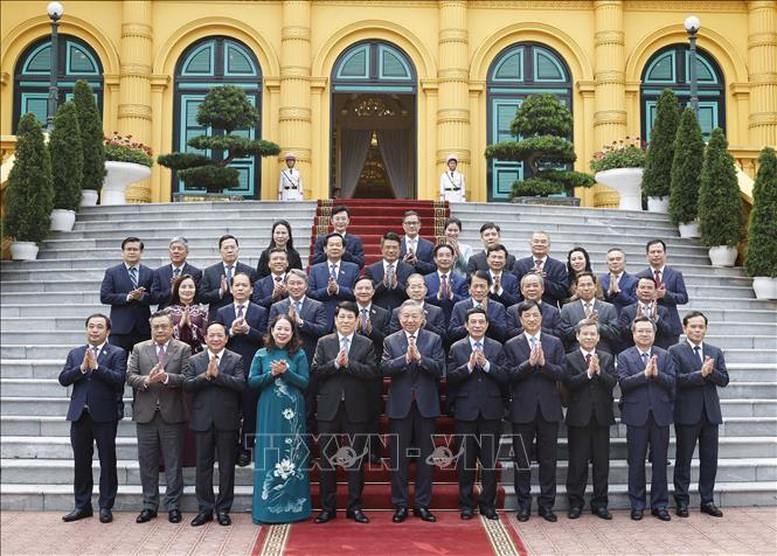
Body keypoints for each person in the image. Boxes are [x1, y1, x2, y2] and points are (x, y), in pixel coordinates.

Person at [312, 302, 378, 524]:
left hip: (356, 410)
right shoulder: (324, 342)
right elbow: (316, 371)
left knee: (355, 461)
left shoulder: (366, 344)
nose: (346, 321)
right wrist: (335, 364)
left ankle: (354, 507)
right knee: (327, 461)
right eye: (342, 317)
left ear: (357, 320)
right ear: (335, 319)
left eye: (351, 317)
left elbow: (371, 372)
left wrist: (349, 364)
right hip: (329, 410)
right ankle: (327, 508)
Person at [58, 313, 127, 524]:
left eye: (99, 327)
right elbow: (63, 379)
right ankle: (82, 505)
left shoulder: (117, 352)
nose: (94, 330)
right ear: (86, 329)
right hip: (80, 415)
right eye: (91, 326)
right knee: (81, 462)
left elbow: (118, 380)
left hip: (105, 415)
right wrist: (82, 368)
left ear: (108, 331)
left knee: (107, 461)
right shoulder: (76, 353)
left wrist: (97, 367)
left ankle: (106, 506)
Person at [381, 300, 445, 523]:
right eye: (405, 316)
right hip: (400, 407)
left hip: (426, 406)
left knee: (425, 459)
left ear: (422, 319)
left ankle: (422, 504)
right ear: (399, 319)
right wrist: (405, 359)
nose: (409, 320)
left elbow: (439, 369)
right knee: (398, 459)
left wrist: (420, 358)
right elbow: (384, 368)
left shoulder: (434, 339)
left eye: (414, 316)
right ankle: (400, 505)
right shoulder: (390, 340)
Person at [125, 311, 192, 524]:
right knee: (147, 462)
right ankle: (149, 505)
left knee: (173, 461)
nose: (160, 330)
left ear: (172, 327)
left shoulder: (183, 349)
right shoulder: (139, 348)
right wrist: (147, 380)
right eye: (156, 327)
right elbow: (130, 376)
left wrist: (166, 378)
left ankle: (173, 505)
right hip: (146, 414)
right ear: (151, 328)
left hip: (172, 413)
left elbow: (187, 378)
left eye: (164, 326)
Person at [503, 300, 565, 523]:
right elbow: (508, 375)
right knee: (522, 460)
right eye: (527, 316)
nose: (531, 319)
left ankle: (547, 505)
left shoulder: (554, 342)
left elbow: (561, 372)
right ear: (521, 319)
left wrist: (544, 364)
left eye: (535, 315)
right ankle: (524, 504)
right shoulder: (511, 344)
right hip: (522, 409)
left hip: (549, 409)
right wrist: (529, 364)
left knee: (549, 460)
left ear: (542, 317)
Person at [183, 321, 246, 527]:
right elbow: (188, 385)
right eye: (212, 335)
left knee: (227, 467)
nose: (216, 339)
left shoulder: (236, 359)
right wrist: (205, 376)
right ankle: (205, 509)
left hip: (227, 421)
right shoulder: (195, 360)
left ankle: (224, 509)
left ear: (226, 338)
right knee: (203, 467)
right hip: (202, 421)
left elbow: (240, 384)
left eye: (220, 335)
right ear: (205, 337)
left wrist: (219, 376)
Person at [249, 314, 311, 524]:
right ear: (272, 331)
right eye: (279, 329)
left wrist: (286, 372)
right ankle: (266, 510)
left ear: (293, 333)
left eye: (287, 329)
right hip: (268, 408)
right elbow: (252, 382)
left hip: (293, 410)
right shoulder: (260, 354)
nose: (282, 332)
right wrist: (273, 374)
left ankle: (295, 509)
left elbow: (304, 383)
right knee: (269, 450)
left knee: (292, 450)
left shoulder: (299, 354)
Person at [446, 308, 507, 520]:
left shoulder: (497, 347)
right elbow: (450, 377)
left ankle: (487, 504)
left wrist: (487, 365)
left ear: (487, 325)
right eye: (473, 322)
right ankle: (466, 504)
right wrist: (469, 367)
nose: (478, 325)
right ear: (466, 325)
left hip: (491, 412)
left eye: (481, 321)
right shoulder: (456, 348)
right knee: (466, 461)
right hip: (465, 412)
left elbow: (505, 375)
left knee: (489, 461)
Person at [669, 311, 728, 518]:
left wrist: (710, 372)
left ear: (705, 329)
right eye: (693, 326)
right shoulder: (675, 351)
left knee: (710, 459)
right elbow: (676, 380)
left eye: (701, 327)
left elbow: (724, 380)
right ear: (685, 328)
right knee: (683, 459)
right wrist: (700, 374)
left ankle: (707, 500)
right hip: (687, 413)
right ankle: (682, 501)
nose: (697, 330)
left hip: (710, 413)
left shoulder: (715, 351)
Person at [617, 316, 676, 522]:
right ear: (633, 334)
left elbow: (672, 382)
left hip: (660, 415)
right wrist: (644, 374)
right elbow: (623, 383)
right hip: (636, 416)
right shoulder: (624, 356)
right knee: (636, 462)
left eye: (648, 331)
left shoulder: (665, 355)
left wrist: (657, 374)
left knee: (660, 462)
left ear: (654, 333)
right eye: (640, 331)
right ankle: (637, 504)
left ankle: (660, 505)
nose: (644, 334)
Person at [563, 321, 616, 520]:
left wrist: (600, 372)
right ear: (577, 336)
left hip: (601, 417)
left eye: (592, 334)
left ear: (598, 337)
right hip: (579, 417)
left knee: (602, 464)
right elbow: (568, 383)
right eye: (585, 334)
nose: (588, 337)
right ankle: (575, 503)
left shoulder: (607, 357)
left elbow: (612, 382)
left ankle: (600, 503)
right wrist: (588, 373)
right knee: (577, 463)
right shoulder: (570, 358)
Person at [215, 273, 268, 467]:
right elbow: (215, 337)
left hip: (251, 367)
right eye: (237, 285)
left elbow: (265, 339)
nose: (240, 289)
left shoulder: (260, 311)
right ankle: (229, 448)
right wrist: (230, 332)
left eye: (244, 285)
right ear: (231, 288)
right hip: (227, 369)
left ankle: (245, 449)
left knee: (249, 411)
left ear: (251, 289)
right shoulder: (222, 311)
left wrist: (247, 331)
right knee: (229, 410)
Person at [352, 275, 391, 464]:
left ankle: (373, 450)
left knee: (373, 412)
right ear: (354, 291)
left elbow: (387, 339)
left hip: (373, 370)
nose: (364, 291)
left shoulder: (382, 313)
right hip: (350, 368)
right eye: (360, 288)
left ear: (373, 291)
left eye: (367, 288)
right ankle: (353, 450)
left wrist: (370, 330)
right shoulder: (347, 311)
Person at [100, 236, 155, 352]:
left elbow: (154, 297)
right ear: (123, 252)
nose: (131, 252)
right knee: (118, 364)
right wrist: (128, 297)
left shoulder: (150, 273)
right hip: (120, 329)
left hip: (142, 328)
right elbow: (104, 296)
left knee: (143, 365)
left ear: (141, 252)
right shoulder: (112, 272)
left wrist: (141, 297)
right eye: (128, 249)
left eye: (135, 249)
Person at [636, 239, 689, 346]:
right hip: (646, 324)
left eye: (659, 252)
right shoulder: (639, 276)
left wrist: (666, 295)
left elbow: (683, 298)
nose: (656, 255)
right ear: (647, 255)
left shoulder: (675, 274)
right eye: (652, 252)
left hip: (670, 324)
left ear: (665, 254)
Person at [307, 232, 360, 326]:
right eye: (331, 245)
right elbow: (310, 293)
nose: (334, 248)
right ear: (325, 249)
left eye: (338, 245)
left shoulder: (353, 268)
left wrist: (338, 289)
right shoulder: (315, 269)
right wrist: (327, 291)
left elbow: (356, 292)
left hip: (345, 317)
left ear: (343, 249)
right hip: (321, 316)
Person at [559, 272, 619, 354]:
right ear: (576, 289)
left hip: (603, 355)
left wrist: (597, 325)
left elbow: (615, 334)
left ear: (595, 287)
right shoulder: (567, 308)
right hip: (575, 356)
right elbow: (562, 334)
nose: (586, 288)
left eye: (589, 284)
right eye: (582, 285)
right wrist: (581, 324)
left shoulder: (609, 308)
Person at [200, 234, 258, 319]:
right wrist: (220, 292)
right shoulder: (210, 272)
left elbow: (255, 296)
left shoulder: (249, 271)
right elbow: (202, 297)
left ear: (238, 249)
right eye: (226, 248)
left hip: (243, 317)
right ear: (220, 251)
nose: (230, 251)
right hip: (218, 318)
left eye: (232, 247)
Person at [448, 271, 508, 344]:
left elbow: (503, 334)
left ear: (489, 288)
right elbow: (452, 334)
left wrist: (487, 316)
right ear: (469, 288)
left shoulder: (498, 307)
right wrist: (469, 325)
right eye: (475, 286)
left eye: (482, 286)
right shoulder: (459, 306)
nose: (478, 290)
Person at [513, 231, 569, 308]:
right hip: (524, 310)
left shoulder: (558, 266)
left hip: (549, 311)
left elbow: (562, 292)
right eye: (536, 241)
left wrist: (541, 280)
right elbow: (515, 289)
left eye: (543, 242)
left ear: (549, 245)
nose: (539, 244)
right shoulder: (520, 264)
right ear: (530, 244)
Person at [618, 277, 675, 351]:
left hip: (657, 351)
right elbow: (622, 334)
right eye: (642, 287)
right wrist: (635, 321)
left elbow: (669, 333)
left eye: (650, 288)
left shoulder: (663, 311)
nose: (646, 291)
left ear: (655, 291)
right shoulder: (627, 310)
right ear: (636, 290)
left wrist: (657, 319)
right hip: (633, 352)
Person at [364, 231, 413, 313]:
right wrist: (383, 284)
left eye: (394, 247)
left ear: (400, 249)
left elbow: (411, 294)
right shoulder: (371, 269)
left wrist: (396, 285)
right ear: (382, 249)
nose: (391, 251)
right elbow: (367, 293)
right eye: (388, 247)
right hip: (378, 313)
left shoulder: (409, 269)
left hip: (402, 313)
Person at [389, 273, 447, 338]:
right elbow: (393, 337)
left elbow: (443, 337)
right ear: (407, 290)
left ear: (426, 290)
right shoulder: (397, 311)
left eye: (420, 287)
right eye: (413, 287)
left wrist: (425, 324)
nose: (416, 290)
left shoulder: (436, 311)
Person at [151, 236, 202, 310]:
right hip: (165, 315)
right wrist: (172, 290)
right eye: (173, 248)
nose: (176, 251)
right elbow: (154, 298)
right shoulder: (159, 272)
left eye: (180, 249)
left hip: (188, 312)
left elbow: (199, 297)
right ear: (169, 252)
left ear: (187, 252)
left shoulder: (195, 272)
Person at [506, 273, 562, 339]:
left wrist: (538, 329)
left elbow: (560, 334)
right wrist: (529, 328)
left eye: (535, 286)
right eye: (528, 286)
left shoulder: (553, 311)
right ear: (521, 290)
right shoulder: (512, 310)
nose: (531, 289)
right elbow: (509, 333)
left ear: (543, 289)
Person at [424, 243, 468, 324]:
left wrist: (451, 296)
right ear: (435, 259)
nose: (444, 258)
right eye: (441, 255)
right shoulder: (426, 279)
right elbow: (423, 300)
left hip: (454, 322)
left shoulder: (462, 280)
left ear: (453, 258)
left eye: (448, 255)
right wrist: (438, 296)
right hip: (432, 323)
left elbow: (466, 302)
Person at [167, 274, 209, 354]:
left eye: (191, 287)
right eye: (183, 287)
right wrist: (180, 324)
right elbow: (164, 335)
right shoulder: (168, 311)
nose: (187, 290)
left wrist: (190, 325)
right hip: (173, 354)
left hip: (197, 354)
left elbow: (206, 336)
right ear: (177, 290)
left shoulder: (203, 311)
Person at [600, 247, 638, 315]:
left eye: (618, 259)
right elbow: (598, 303)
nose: (615, 262)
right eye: (611, 259)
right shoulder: (601, 281)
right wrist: (609, 293)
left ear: (625, 262)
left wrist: (618, 292)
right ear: (607, 263)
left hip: (625, 319)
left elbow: (635, 304)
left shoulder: (634, 281)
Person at [399, 210, 436, 275]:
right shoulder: (397, 244)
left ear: (419, 225)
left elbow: (434, 268)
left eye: (414, 223)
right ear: (403, 225)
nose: (411, 226)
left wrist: (417, 262)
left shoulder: (429, 246)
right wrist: (403, 263)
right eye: (408, 223)